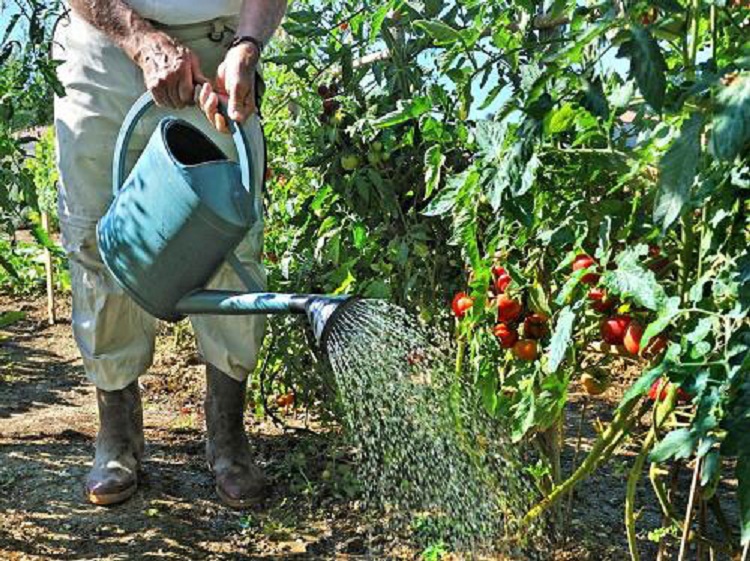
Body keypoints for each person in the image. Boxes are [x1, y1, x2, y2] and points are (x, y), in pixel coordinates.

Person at [53, 0, 287, 508]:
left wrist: (248, 44)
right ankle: (118, 432)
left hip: (218, 51)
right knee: (99, 239)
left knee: (231, 239)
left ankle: (227, 433)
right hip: (104, 46)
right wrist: (138, 40)